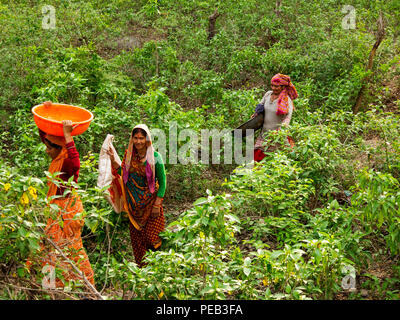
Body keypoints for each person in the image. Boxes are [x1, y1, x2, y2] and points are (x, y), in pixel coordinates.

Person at [30, 119, 95, 288]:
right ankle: (52, 286)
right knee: (52, 249)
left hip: (66, 214)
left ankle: (81, 286)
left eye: (49, 148)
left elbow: (76, 162)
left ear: (60, 148)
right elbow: (46, 136)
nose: (46, 151)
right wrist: (42, 117)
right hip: (56, 212)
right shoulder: (58, 157)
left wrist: (67, 135)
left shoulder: (66, 163)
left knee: (67, 249)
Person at [107, 124, 166, 268]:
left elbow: (163, 182)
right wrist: (113, 161)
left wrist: (157, 204)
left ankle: (158, 271)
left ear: (147, 139)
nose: (139, 141)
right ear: (132, 139)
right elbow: (124, 174)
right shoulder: (129, 156)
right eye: (136, 138)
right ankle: (143, 274)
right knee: (138, 244)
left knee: (154, 239)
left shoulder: (155, 157)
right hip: (134, 209)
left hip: (151, 206)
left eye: (141, 138)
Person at [252, 73, 298, 162]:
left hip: (277, 136)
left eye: (277, 86)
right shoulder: (267, 95)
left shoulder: (286, 100)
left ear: (283, 87)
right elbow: (261, 106)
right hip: (264, 134)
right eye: (272, 86)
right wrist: (256, 113)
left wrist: (280, 131)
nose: (273, 88)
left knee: (276, 161)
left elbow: (288, 118)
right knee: (257, 160)